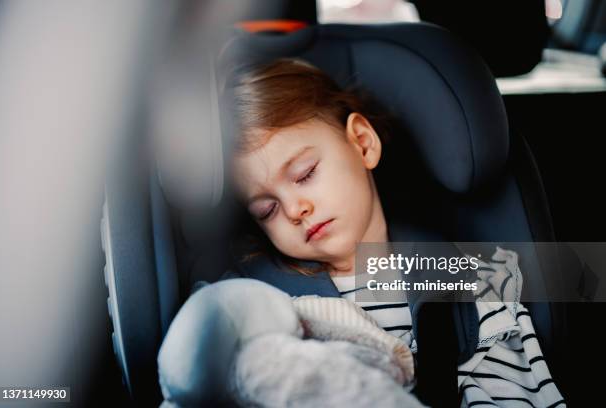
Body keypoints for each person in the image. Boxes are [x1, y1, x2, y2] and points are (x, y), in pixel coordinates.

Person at [222, 58, 565, 407]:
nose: (295, 210)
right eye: (268, 210)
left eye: (305, 174)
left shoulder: (470, 289)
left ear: (362, 142)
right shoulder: (253, 304)